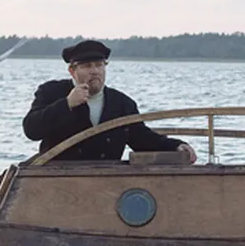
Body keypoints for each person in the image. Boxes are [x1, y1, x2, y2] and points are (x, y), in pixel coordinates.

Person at [22, 40, 197, 163]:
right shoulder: (52, 92)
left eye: (99, 65)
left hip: (106, 181)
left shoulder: (121, 103)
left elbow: (142, 139)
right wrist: (66, 104)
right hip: (56, 180)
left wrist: (176, 146)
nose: (94, 71)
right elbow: (31, 129)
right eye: (87, 66)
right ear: (72, 71)